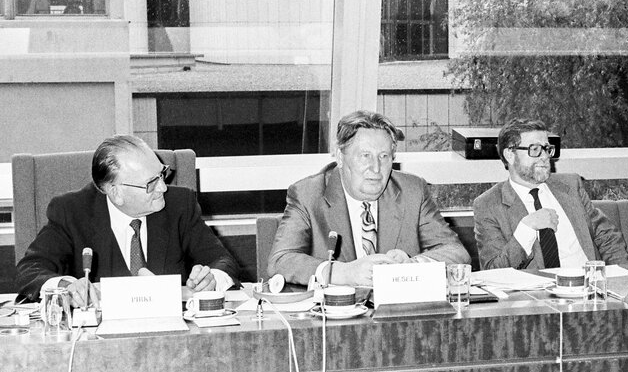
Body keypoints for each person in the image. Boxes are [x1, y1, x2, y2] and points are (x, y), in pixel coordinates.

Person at [16, 135, 239, 307]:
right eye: (151, 183)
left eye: (162, 174)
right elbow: (30, 270)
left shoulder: (180, 204)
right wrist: (66, 287)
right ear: (116, 193)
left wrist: (212, 279)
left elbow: (222, 261)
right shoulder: (72, 211)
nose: (163, 187)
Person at [267, 110, 468, 286]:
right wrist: (342, 273)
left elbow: (457, 253)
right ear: (339, 156)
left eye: (384, 157)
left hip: (395, 317)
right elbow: (280, 260)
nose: (376, 168)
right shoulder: (308, 194)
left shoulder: (412, 191)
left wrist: (411, 265)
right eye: (365, 156)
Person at [473, 119, 628, 270]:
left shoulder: (571, 186)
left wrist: (619, 278)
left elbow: (607, 237)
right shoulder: (488, 205)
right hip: (535, 294)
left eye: (547, 149)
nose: (545, 157)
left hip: (587, 287)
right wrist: (526, 229)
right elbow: (494, 271)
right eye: (535, 149)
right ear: (510, 155)